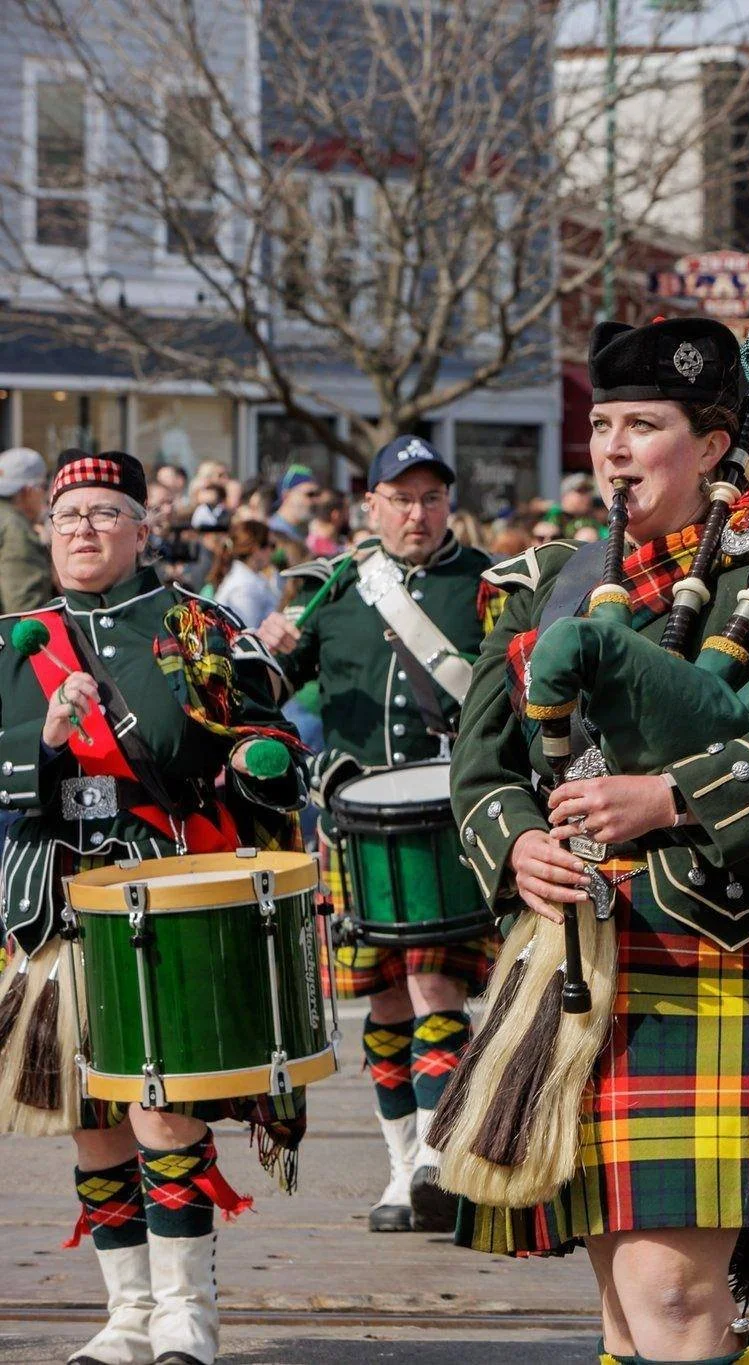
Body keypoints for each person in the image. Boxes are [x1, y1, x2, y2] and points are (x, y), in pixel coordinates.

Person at [447, 318, 749, 1363]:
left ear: (708, 446)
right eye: (602, 423)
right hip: (579, 958)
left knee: (670, 1294)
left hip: (735, 947)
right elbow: (479, 772)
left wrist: (674, 797)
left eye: (643, 425)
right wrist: (516, 845)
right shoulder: (542, 580)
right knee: (622, 1288)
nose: (611, 446)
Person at [0, 448, 310, 1365]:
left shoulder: (197, 622)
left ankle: (186, 1319)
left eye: (104, 512)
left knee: (160, 1105)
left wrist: (262, 758)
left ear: (142, 529)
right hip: (55, 894)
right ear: (45, 533)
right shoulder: (13, 636)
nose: (84, 529)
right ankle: (126, 1316)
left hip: (165, 882)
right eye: (67, 517)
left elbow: (268, 728)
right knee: (90, 1117)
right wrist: (46, 737)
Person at [257, 434, 496, 1234]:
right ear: (371, 506)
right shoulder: (337, 590)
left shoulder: (487, 586)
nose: (417, 513)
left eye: (431, 498)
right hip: (355, 828)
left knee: (435, 991)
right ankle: (402, 1171)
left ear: (448, 505)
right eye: (401, 498)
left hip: (446, 824)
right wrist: (273, 645)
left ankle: (437, 1156)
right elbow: (265, 691)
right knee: (384, 1008)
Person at [0, 446, 52, 615]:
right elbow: (26, 611)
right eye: (43, 487)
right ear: (27, 491)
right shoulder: (16, 529)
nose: (46, 496)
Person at [211, 519, 282, 628]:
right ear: (256, 549)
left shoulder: (250, 578)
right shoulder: (244, 587)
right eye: (271, 545)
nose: (273, 552)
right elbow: (248, 635)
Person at [268, 464, 320, 544]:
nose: (316, 500)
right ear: (286, 495)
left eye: (317, 495)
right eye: (310, 494)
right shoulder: (272, 533)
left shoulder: (303, 532)